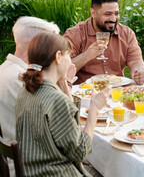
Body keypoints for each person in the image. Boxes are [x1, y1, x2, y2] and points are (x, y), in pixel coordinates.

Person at [16, 32, 110, 176]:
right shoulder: (56, 100)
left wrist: (64, 83)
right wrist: (95, 109)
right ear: (58, 57)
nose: (71, 62)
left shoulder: (26, 91)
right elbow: (81, 152)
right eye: (68, 56)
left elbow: (69, 127)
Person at [64, 0, 144, 85]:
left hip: (117, 91)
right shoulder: (75, 34)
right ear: (93, 13)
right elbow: (62, 70)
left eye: (116, 13)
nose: (114, 19)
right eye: (108, 14)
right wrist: (86, 56)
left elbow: (136, 60)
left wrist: (139, 70)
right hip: (86, 93)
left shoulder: (126, 33)